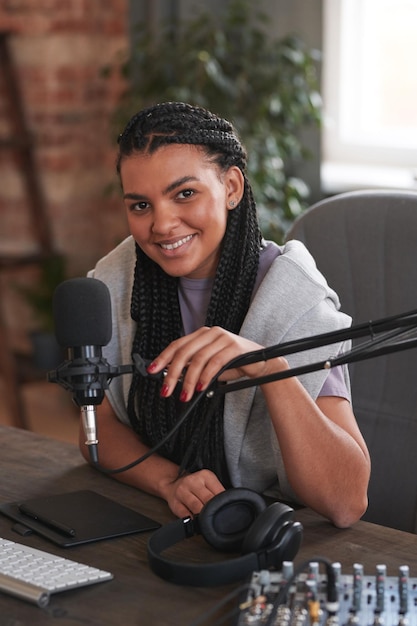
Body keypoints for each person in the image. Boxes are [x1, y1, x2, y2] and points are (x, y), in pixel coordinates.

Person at [80, 101, 370, 528]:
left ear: (231, 187)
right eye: (140, 205)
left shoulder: (295, 300)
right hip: (161, 523)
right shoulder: (115, 279)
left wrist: (269, 367)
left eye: (185, 194)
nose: (162, 224)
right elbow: (95, 429)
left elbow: (347, 502)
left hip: (269, 534)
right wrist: (168, 481)